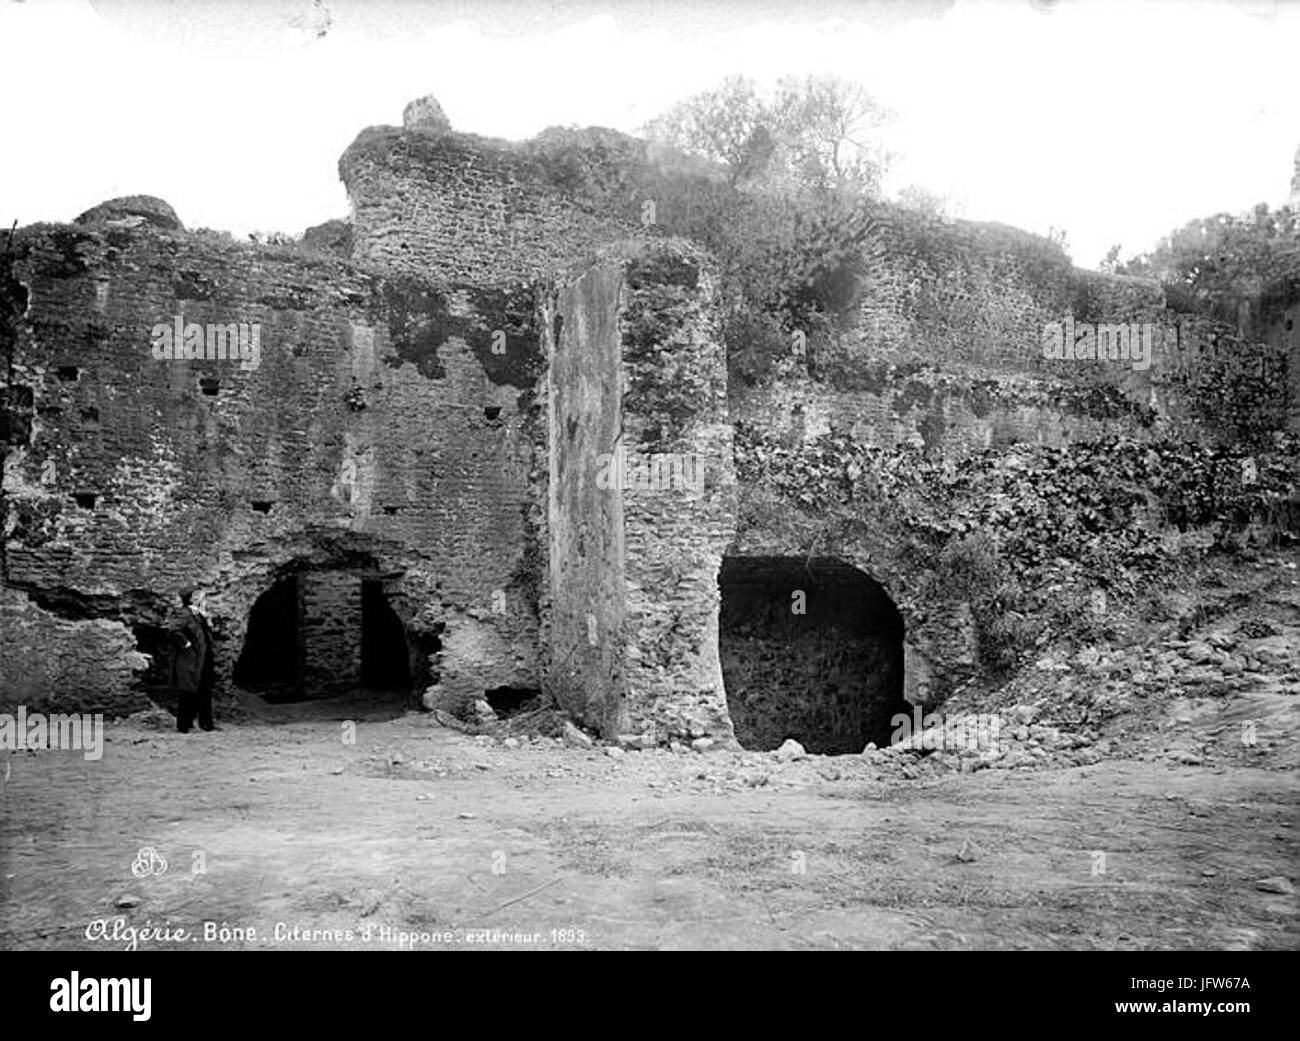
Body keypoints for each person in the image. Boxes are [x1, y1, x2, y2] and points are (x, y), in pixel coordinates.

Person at [173, 591, 215, 733]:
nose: (205, 600)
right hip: (191, 659)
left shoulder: (198, 614)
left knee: (205, 690)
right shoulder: (184, 613)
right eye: (202, 597)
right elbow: (173, 630)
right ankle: (185, 725)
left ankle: (206, 723)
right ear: (194, 599)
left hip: (203, 659)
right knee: (188, 691)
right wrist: (186, 644)